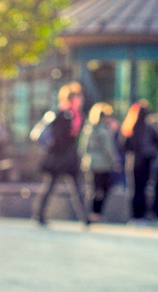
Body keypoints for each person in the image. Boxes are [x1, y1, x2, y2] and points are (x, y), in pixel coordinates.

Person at [30, 82, 87, 227]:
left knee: (77, 188)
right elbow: (59, 137)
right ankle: (39, 215)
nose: (80, 100)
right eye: (78, 97)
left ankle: (85, 218)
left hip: (69, 158)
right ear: (72, 98)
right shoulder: (64, 114)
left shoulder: (76, 115)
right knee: (50, 186)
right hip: (59, 158)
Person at [120, 100, 158, 223]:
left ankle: (136, 216)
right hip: (143, 162)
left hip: (136, 162)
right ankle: (139, 216)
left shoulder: (131, 127)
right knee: (141, 189)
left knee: (136, 189)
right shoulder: (144, 128)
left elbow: (123, 145)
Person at [79, 102, 118, 223]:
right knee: (103, 189)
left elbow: (82, 148)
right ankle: (96, 213)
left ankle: (91, 214)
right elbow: (109, 149)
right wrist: (115, 160)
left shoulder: (87, 128)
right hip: (103, 164)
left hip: (90, 163)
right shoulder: (103, 130)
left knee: (93, 189)